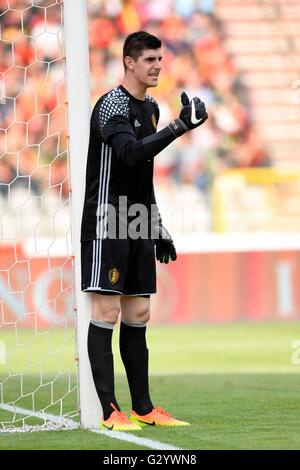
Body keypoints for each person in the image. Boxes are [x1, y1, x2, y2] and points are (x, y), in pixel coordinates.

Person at [80, 31, 208, 431]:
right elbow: (130, 153)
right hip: (107, 218)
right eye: (149, 59)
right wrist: (177, 128)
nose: (157, 66)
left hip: (137, 219)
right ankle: (108, 411)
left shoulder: (150, 106)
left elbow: (143, 174)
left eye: (159, 59)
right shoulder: (111, 106)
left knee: (139, 312)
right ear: (129, 62)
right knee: (106, 311)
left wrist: (158, 225)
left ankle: (144, 408)